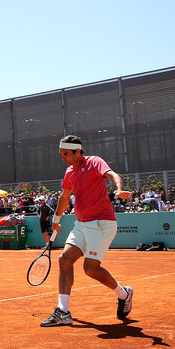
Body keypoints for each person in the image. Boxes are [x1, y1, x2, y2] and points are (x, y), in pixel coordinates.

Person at [41, 135, 133, 327]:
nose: (62, 157)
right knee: (65, 259)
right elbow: (65, 197)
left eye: (65, 154)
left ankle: (123, 294)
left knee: (90, 269)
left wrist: (119, 190)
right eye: (61, 154)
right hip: (81, 224)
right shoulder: (69, 172)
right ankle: (63, 312)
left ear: (77, 151)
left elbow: (113, 175)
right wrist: (56, 220)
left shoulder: (94, 162)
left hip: (102, 224)